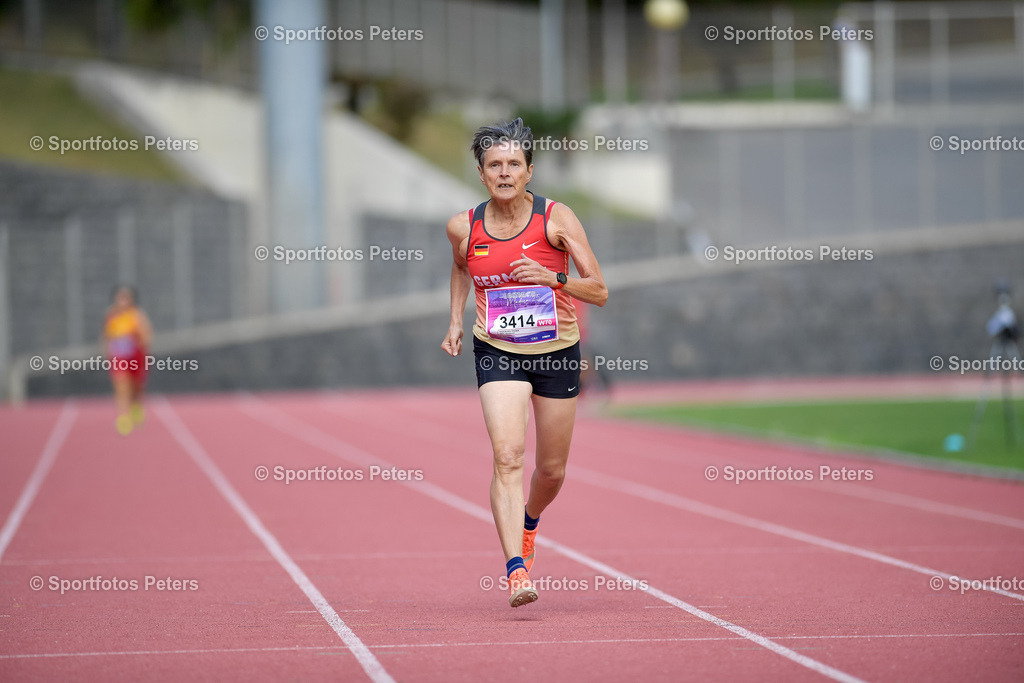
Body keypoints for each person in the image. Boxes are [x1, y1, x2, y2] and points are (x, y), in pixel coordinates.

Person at [441, 118, 608, 607]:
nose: (505, 172)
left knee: (551, 470)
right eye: (495, 164)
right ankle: (516, 569)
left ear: (530, 170)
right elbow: (459, 266)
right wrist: (455, 320)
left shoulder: (557, 219)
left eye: (515, 163)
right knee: (507, 455)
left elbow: (598, 290)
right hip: (496, 348)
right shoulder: (462, 225)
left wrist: (550, 279)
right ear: (481, 173)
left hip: (556, 351)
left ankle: (530, 521)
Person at [102, 285, 153, 435]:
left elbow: (147, 335)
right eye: (120, 297)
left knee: (136, 387)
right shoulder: (111, 315)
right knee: (121, 386)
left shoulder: (137, 315)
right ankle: (123, 417)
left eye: (126, 298)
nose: (123, 301)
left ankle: (136, 406)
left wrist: (141, 341)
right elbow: (106, 337)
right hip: (119, 357)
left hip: (136, 356)